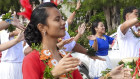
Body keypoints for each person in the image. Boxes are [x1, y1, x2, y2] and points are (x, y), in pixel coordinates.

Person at [22, 2, 82, 79]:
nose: (63, 22)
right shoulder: (32, 60)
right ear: (42, 27)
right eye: (57, 20)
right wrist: (53, 74)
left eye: (62, 18)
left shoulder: (66, 57)